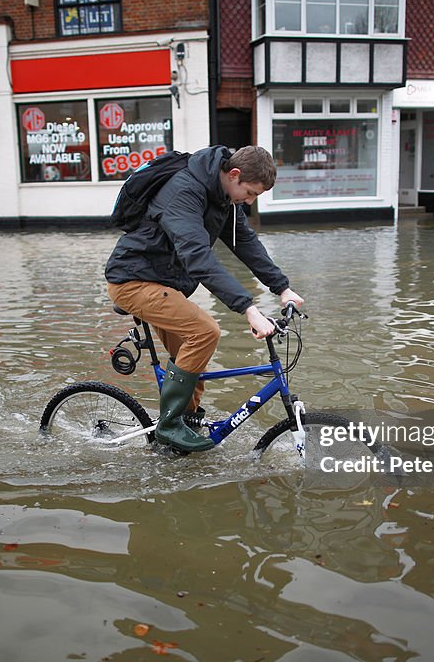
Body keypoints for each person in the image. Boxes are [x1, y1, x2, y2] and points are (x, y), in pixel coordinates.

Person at [105, 145, 303, 453]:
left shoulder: (221, 194)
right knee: (205, 331)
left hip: (164, 283)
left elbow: (246, 242)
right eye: (249, 193)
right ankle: (170, 425)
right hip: (133, 281)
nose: (249, 202)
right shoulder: (185, 191)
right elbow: (197, 258)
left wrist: (282, 288)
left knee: (192, 358)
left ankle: (180, 436)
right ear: (234, 175)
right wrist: (248, 309)